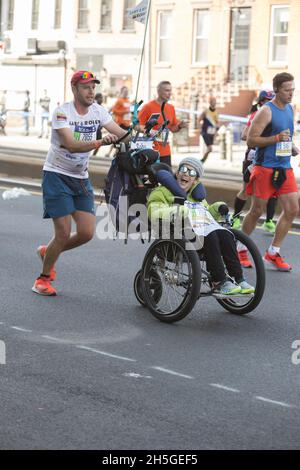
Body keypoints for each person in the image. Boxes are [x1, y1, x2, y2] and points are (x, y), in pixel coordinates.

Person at [32, 70, 128, 296]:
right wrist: (101, 141)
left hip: (80, 178)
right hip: (56, 175)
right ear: (74, 89)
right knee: (63, 233)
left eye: (93, 87)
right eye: (86, 87)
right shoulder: (62, 113)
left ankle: (49, 251)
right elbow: (71, 145)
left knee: (86, 233)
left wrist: (140, 136)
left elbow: (121, 133)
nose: (91, 91)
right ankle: (43, 279)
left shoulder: (98, 111)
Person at [147, 157, 254, 296]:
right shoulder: (162, 192)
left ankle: (239, 279)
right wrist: (175, 211)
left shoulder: (196, 197)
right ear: (177, 173)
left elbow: (206, 216)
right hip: (174, 239)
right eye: (183, 169)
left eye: (191, 173)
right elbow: (153, 212)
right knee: (210, 235)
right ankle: (218, 282)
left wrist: (217, 209)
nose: (186, 174)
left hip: (197, 237)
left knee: (226, 234)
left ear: (195, 180)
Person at [240, 72, 299, 271]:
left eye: (293, 89)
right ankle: (239, 249)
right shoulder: (266, 110)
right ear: (276, 90)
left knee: (292, 209)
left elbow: (285, 136)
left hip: (284, 167)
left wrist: (290, 146)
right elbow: (250, 140)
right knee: (257, 210)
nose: (291, 93)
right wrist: (275, 139)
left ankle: (272, 253)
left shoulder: (290, 109)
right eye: (287, 90)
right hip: (265, 167)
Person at [231, 90, 278, 235]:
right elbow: (245, 135)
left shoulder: (277, 116)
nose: (269, 102)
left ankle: (269, 221)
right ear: (261, 102)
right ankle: (235, 218)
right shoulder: (255, 116)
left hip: (271, 159)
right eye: (266, 100)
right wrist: (261, 141)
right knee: (246, 190)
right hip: (253, 158)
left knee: (273, 191)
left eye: (271, 100)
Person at [138, 81, 189, 167]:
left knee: (166, 177)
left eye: (170, 91)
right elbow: (136, 125)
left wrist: (180, 126)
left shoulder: (171, 108)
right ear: (159, 91)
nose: (169, 93)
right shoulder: (148, 107)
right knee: (151, 178)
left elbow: (173, 128)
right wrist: (150, 131)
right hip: (150, 149)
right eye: (166, 90)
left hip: (165, 150)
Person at [198, 96, 219, 164]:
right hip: (205, 132)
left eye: (215, 101)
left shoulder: (216, 112)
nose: (214, 102)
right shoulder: (206, 111)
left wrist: (216, 132)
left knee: (209, 149)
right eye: (212, 101)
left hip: (211, 133)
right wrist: (200, 129)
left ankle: (202, 161)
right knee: (210, 148)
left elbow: (216, 123)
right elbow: (199, 120)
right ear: (210, 102)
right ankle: (202, 161)